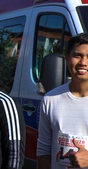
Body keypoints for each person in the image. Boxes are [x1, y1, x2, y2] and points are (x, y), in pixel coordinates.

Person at [37, 33, 88, 169]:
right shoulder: (50, 99)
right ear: (67, 59)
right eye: (77, 56)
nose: (83, 62)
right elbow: (43, 150)